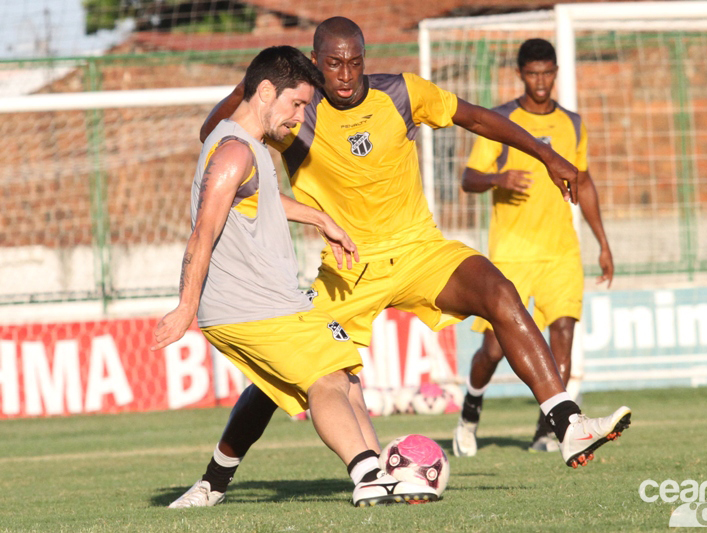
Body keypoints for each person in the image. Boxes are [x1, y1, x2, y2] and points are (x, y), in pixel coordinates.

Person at [169, 17, 632, 508]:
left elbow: (474, 118)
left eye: (354, 63)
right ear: (314, 61)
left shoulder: (402, 93)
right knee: (284, 375)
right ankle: (213, 483)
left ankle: (567, 423)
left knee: (499, 291)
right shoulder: (297, 110)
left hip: (419, 252)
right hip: (350, 270)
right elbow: (213, 132)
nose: (345, 75)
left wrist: (544, 153)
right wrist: (255, 80)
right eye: (332, 64)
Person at [152, 45, 438, 508]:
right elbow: (202, 232)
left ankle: (383, 472)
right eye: (297, 104)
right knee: (325, 379)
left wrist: (320, 219)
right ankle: (367, 477)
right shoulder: (232, 154)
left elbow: (259, 201)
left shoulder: (250, 148)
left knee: (345, 375)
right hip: (247, 306)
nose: (300, 116)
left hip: (278, 300)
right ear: (265, 92)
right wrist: (186, 306)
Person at [452, 38, 615, 458]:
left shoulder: (573, 124)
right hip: (511, 252)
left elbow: (585, 180)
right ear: (521, 74)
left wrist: (603, 242)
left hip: (561, 250)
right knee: (492, 349)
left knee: (562, 333)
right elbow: (469, 178)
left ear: (555, 73)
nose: (540, 81)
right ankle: (470, 411)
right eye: (532, 73)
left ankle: (550, 430)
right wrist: (498, 180)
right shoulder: (502, 121)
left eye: (547, 73)